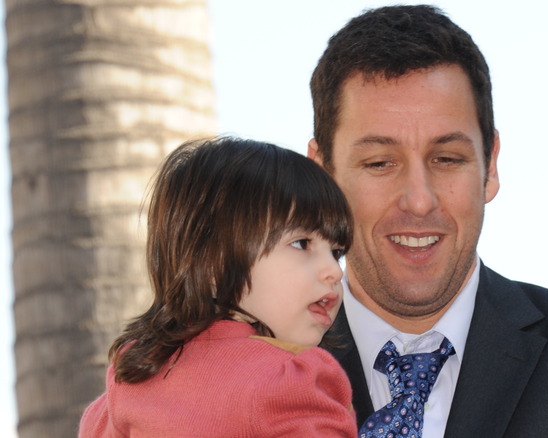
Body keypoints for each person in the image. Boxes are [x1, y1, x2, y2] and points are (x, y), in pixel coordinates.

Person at [307, 5, 548, 437]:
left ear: (489, 167)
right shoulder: (241, 367)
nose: (419, 200)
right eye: (380, 162)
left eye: (447, 158)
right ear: (322, 176)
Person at [79, 137, 357, 437]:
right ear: (214, 261)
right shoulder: (290, 382)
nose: (333, 271)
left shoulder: (130, 379)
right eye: (302, 244)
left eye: (336, 252)